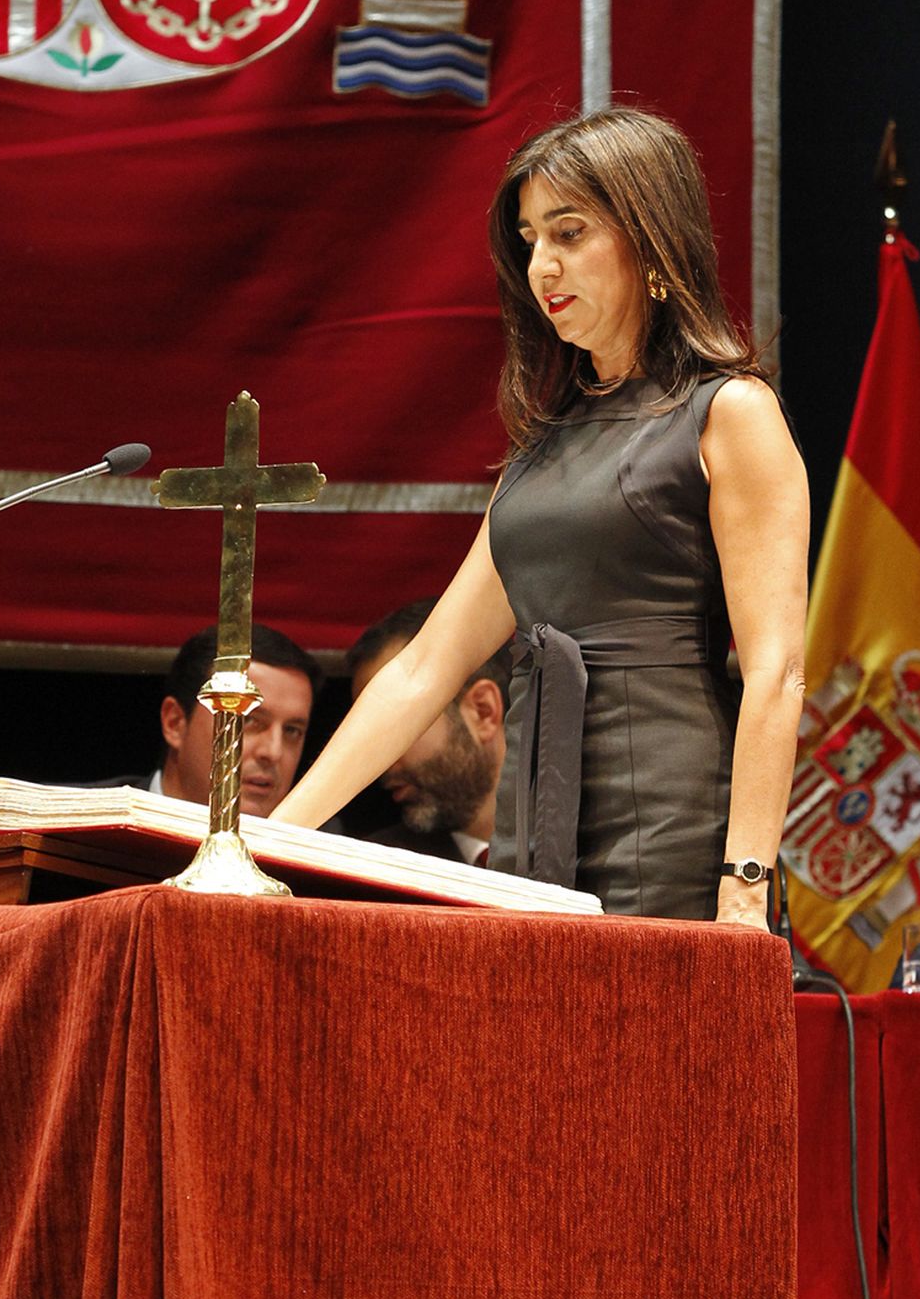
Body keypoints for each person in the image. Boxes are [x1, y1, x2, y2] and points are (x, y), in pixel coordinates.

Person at [274, 106, 809, 925]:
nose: (541, 266)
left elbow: (776, 670)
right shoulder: (542, 448)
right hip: (535, 822)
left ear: (651, 239)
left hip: (674, 821)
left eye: (569, 233)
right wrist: (266, 843)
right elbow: (424, 671)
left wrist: (745, 881)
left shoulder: (730, 411)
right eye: (529, 241)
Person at [347, 599, 509, 866]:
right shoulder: (373, 868)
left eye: (396, 728)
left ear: (483, 711)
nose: (380, 764)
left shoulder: (579, 846)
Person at [131, 622, 317, 817]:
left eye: (292, 730)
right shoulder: (108, 818)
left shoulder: (325, 836)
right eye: (248, 721)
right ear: (175, 723)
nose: (273, 752)